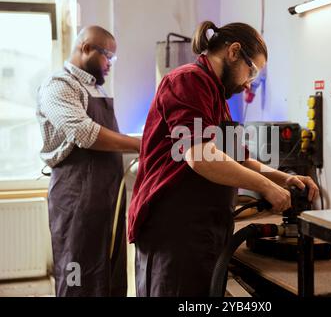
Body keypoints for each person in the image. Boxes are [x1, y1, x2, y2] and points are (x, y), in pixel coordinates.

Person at [128, 21, 318, 297]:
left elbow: (240, 160)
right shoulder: (187, 82)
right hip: (175, 229)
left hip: (203, 227)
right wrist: (266, 187)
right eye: (251, 70)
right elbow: (200, 157)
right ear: (233, 51)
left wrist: (283, 178)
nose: (248, 82)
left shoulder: (215, 95)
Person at [37, 26, 141, 297]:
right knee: (78, 275)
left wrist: (150, 141)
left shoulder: (97, 90)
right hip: (76, 199)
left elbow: (113, 138)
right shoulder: (59, 85)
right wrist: (142, 144)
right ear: (85, 48)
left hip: (108, 198)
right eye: (108, 56)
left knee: (109, 272)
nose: (110, 64)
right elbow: (84, 133)